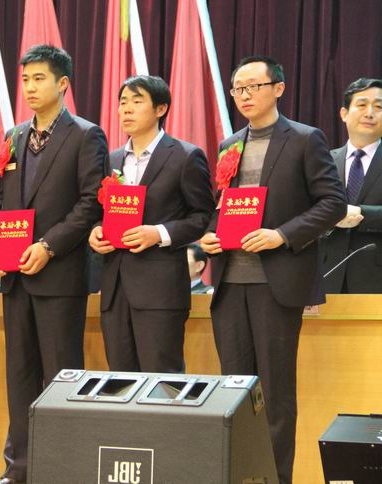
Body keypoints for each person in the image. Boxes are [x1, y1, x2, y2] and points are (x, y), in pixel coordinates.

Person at [200, 56, 345, 484]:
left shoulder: (304, 139)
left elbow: (332, 203)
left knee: (275, 395)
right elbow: (222, 208)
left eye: (253, 86)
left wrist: (281, 235)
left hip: (275, 284)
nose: (244, 95)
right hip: (230, 283)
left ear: (278, 88)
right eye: (238, 89)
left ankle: (277, 479)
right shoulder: (229, 145)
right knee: (234, 393)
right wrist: (211, 236)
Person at [0, 45, 108, 484]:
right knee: (19, 375)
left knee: (60, 376)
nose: (30, 87)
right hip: (15, 277)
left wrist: (49, 246)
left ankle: (61, 470)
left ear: (63, 84)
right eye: (26, 80)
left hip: (59, 276)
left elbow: (90, 202)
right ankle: (18, 469)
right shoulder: (14, 136)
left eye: (39, 79)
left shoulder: (86, 135)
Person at [89, 75, 214, 374]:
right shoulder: (111, 160)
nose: (126, 109)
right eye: (122, 102)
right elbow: (97, 211)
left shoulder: (185, 156)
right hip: (115, 287)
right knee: (120, 380)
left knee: (161, 378)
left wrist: (158, 233)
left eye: (137, 101)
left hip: (160, 290)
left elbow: (203, 216)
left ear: (161, 109)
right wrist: (95, 231)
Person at [320, 78, 382, 293]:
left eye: (379, 107)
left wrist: (361, 213)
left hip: (376, 281)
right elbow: (304, 211)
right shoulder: (323, 162)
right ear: (344, 113)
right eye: (362, 104)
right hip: (325, 276)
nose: (370, 113)